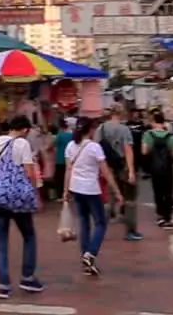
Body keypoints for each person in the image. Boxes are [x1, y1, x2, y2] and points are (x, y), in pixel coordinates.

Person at [0, 115, 45, 299]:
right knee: (29, 236)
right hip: (19, 199)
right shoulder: (22, 144)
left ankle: (3, 285)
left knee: (1, 243)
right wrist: (35, 193)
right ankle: (27, 277)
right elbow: (29, 171)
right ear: (24, 130)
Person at [64, 117, 122, 276]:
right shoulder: (94, 147)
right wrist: (116, 191)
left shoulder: (71, 146)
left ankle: (86, 260)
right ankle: (91, 253)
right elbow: (106, 172)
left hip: (75, 188)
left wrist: (65, 191)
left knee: (84, 222)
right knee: (101, 222)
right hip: (91, 189)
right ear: (90, 130)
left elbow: (68, 170)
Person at [97, 105, 142, 240]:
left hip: (108, 167)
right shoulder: (124, 129)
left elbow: (96, 149)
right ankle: (130, 231)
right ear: (121, 113)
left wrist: (100, 169)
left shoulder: (101, 128)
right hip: (122, 166)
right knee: (130, 200)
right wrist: (131, 170)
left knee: (110, 197)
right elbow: (128, 150)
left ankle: (100, 226)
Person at [142, 111, 173, 229]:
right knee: (168, 192)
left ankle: (160, 216)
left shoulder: (148, 135)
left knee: (158, 192)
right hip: (167, 168)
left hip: (154, 167)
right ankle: (168, 217)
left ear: (153, 122)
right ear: (163, 122)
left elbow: (144, 151)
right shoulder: (171, 136)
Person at [52, 121, 72, 200]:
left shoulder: (59, 136)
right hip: (69, 159)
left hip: (60, 159)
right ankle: (69, 194)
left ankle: (60, 195)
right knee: (68, 177)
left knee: (60, 179)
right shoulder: (72, 135)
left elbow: (52, 144)